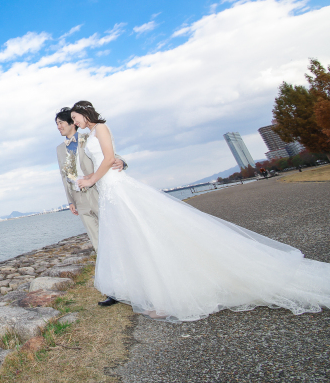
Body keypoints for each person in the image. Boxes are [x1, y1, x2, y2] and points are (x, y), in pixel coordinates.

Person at [70, 100, 330, 322]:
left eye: (75, 118)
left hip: (118, 189)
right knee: (131, 240)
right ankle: (152, 292)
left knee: (145, 236)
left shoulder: (101, 128)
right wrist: (90, 178)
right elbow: (105, 161)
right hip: (109, 192)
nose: (74, 122)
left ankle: (167, 297)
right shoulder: (88, 135)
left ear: (85, 113)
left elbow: (108, 157)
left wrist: (91, 179)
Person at [55, 107, 126, 307]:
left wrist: (122, 162)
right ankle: (114, 291)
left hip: (98, 193)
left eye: (61, 123)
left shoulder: (88, 137)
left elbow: (110, 154)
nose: (59, 127)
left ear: (72, 122)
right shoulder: (59, 149)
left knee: (114, 238)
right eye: (57, 124)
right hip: (80, 200)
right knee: (97, 244)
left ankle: (129, 282)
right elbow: (63, 177)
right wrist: (70, 200)